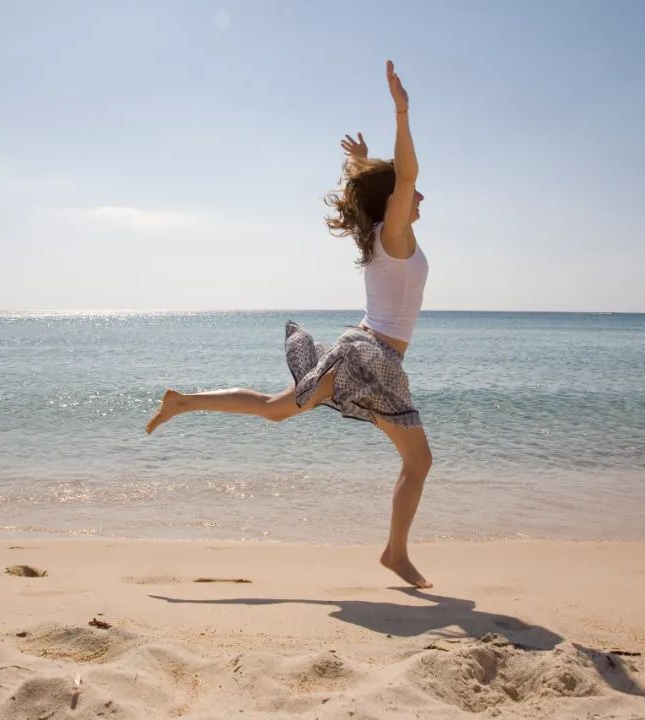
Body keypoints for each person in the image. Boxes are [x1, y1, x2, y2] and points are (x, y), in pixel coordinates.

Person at [146, 60, 432, 588]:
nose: (419, 196)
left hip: (363, 352)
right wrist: (402, 111)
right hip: (372, 357)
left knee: (279, 410)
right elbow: (406, 177)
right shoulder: (390, 236)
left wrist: (363, 164)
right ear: (391, 203)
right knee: (419, 460)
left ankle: (183, 401)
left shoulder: (379, 236)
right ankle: (395, 553)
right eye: (409, 193)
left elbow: (392, 186)